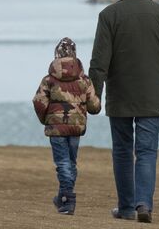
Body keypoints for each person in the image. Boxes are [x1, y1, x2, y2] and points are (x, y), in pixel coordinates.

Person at [89, 0, 159, 223]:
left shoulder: (109, 15)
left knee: (122, 150)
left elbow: (99, 63)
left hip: (120, 95)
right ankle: (144, 205)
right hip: (154, 95)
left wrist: (94, 97)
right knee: (147, 151)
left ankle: (127, 208)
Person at [33, 37, 101, 215]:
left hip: (56, 128)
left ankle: (66, 200)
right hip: (76, 128)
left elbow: (39, 102)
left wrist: (46, 119)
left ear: (56, 55)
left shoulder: (49, 80)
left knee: (63, 163)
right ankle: (63, 196)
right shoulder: (84, 81)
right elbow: (94, 106)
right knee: (70, 163)